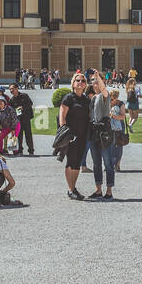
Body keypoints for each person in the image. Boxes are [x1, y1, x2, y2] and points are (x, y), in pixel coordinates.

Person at [58, 71, 92, 199]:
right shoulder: (68, 98)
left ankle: (73, 188)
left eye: (83, 81)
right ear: (73, 83)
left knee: (77, 162)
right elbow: (62, 115)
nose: (80, 83)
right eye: (78, 80)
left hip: (83, 135)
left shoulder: (86, 100)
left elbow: (89, 116)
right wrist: (65, 132)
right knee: (71, 161)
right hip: (70, 136)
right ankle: (70, 189)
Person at [86, 71, 115, 200]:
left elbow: (103, 89)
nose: (95, 82)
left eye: (97, 80)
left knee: (108, 163)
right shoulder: (93, 98)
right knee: (96, 163)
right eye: (93, 80)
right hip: (94, 133)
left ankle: (109, 191)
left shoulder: (105, 95)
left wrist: (99, 77)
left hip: (104, 133)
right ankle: (98, 190)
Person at [8, 84, 35, 155]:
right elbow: (11, 110)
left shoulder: (24, 96)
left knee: (28, 135)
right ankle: (20, 150)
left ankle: (31, 150)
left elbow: (30, 103)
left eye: (12, 88)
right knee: (19, 136)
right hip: (18, 120)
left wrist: (23, 107)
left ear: (17, 88)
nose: (11, 90)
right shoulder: (11, 100)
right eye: (10, 89)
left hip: (26, 118)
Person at [108, 89, 128, 172]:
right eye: (110, 99)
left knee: (119, 145)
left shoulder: (120, 104)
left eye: (113, 99)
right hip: (109, 126)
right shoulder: (107, 103)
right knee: (110, 145)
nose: (111, 101)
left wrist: (113, 116)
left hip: (119, 127)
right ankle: (109, 164)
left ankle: (117, 165)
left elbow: (123, 116)